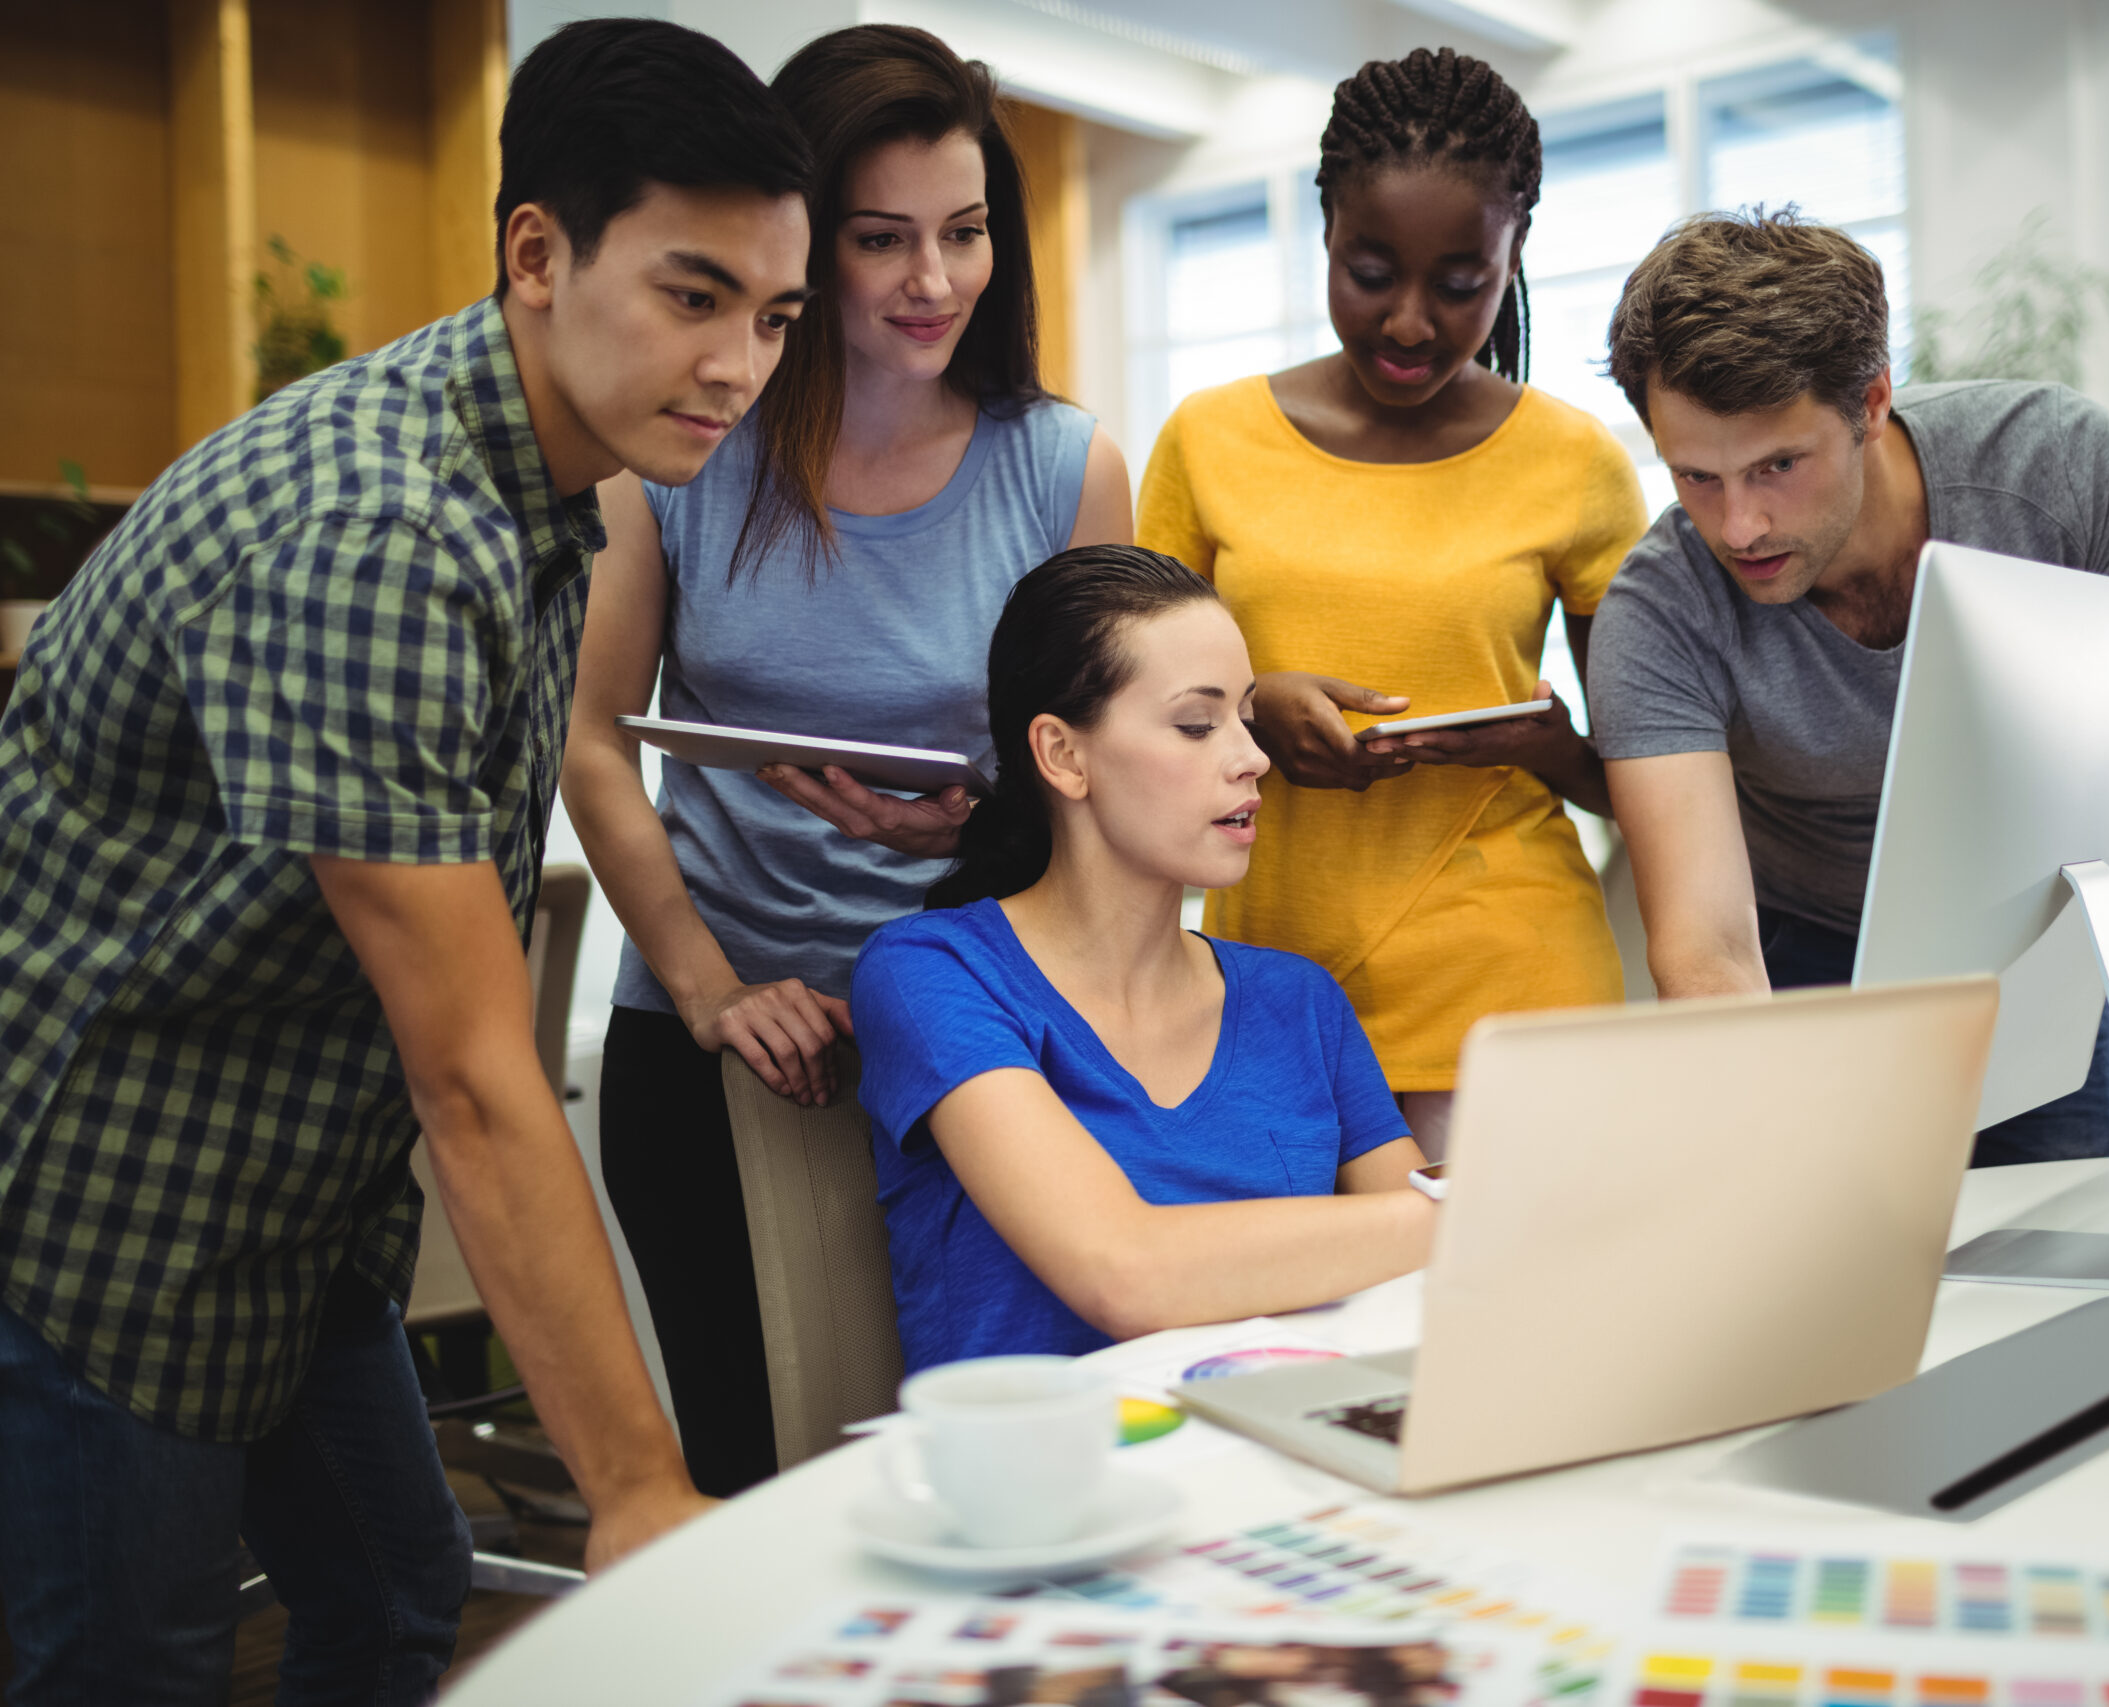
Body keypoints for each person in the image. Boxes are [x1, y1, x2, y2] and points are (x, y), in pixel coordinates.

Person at [0, 20, 810, 1703]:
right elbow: (473, 1073)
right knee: (136, 1662)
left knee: (388, 1593)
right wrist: (641, 1488)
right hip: (108, 1201)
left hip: (296, 1187)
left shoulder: (538, 484)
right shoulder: (383, 527)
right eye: (692, 294)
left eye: (775, 315)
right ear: (538, 253)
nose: (741, 364)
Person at [563, 23, 1131, 1495]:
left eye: (965, 233)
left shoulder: (1064, 464)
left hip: (982, 1048)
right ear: (803, 241)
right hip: (716, 1047)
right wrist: (713, 988)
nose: (933, 282)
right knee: (763, 1485)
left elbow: (1114, 786)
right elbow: (590, 736)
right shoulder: (685, 451)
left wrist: (980, 823)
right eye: (882, 240)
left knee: (981, 1475)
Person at [1588, 208, 2109, 1162]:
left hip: (2034, 956)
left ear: (1870, 401)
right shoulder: (1660, 611)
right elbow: (1707, 950)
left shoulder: (2058, 472)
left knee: (2078, 1271)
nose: (1739, 524)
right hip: (1808, 970)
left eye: (1778, 466)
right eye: (1696, 477)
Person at [1137, 49, 1647, 1157]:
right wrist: (1251, 705)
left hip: (1513, 978)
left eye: (1460, 283)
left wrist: (1545, 745)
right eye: (1372, 271)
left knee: (1507, 1323)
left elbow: (1651, 786)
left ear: (1511, 260)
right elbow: (1129, 723)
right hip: (1263, 985)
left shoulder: (1574, 461)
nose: (1410, 322)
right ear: (1324, 232)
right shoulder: (1207, 443)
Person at [847, 547, 1433, 1369]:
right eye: (1198, 724)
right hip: (1051, 1480)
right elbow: (1123, 1272)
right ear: (1062, 755)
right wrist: (1466, 1210)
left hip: (1281, 1453)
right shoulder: (931, 973)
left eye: (1246, 717)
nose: (1253, 757)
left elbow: (1439, 1282)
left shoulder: (1299, 999)